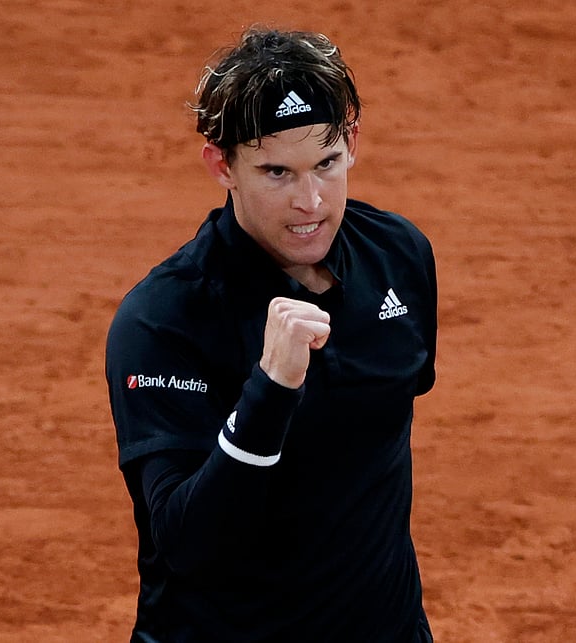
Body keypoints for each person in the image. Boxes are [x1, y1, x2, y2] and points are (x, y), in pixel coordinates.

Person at [105, 26, 438, 642]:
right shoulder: (163, 321)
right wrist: (271, 390)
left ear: (353, 144)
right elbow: (189, 546)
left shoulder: (400, 256)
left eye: (327, 163)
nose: (310, 201)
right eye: (277, 171)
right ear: (221, 164)